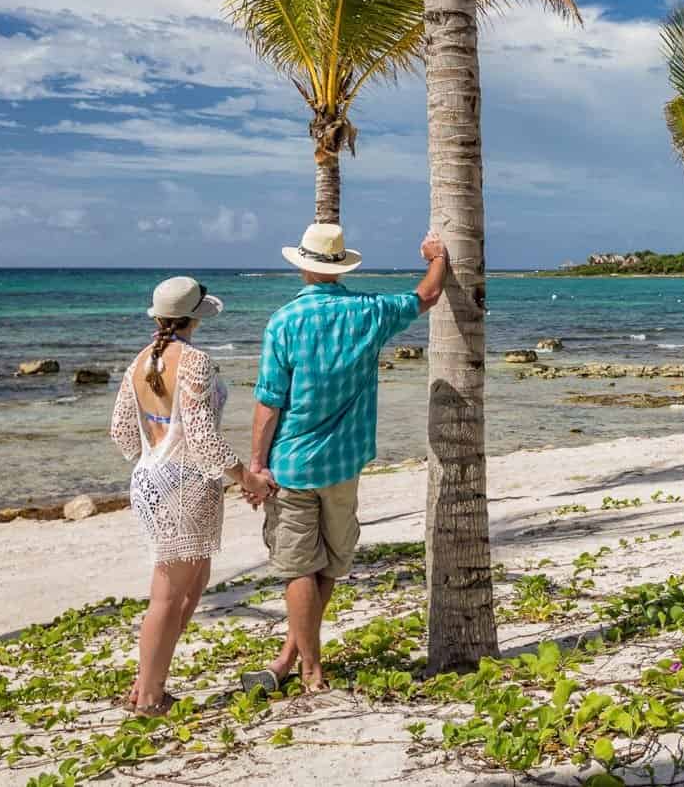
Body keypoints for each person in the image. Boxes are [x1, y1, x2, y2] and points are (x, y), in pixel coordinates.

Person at [239, 223, 447, 694]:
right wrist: (436, 255)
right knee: (328, 565)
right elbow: (428, 295)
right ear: (340, 268)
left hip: (291, 462)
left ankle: (309, 670)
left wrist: (256, 465)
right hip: (344, 463)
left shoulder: (284, 322)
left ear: (303, 266)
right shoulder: (369, 312)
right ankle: (292, 657)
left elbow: (269, 402)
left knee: (298, 568)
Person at [110, 276, 274, 715]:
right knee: (168, 591)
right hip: (183, 481)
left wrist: (154, 451)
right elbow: (201, 436)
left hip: (149, 478)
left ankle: (149, 677)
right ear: (195, 317)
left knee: (194, 580)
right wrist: (246, 477)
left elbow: (122, 433)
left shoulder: (140, 361)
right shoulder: (195, 360)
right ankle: (147, 695)